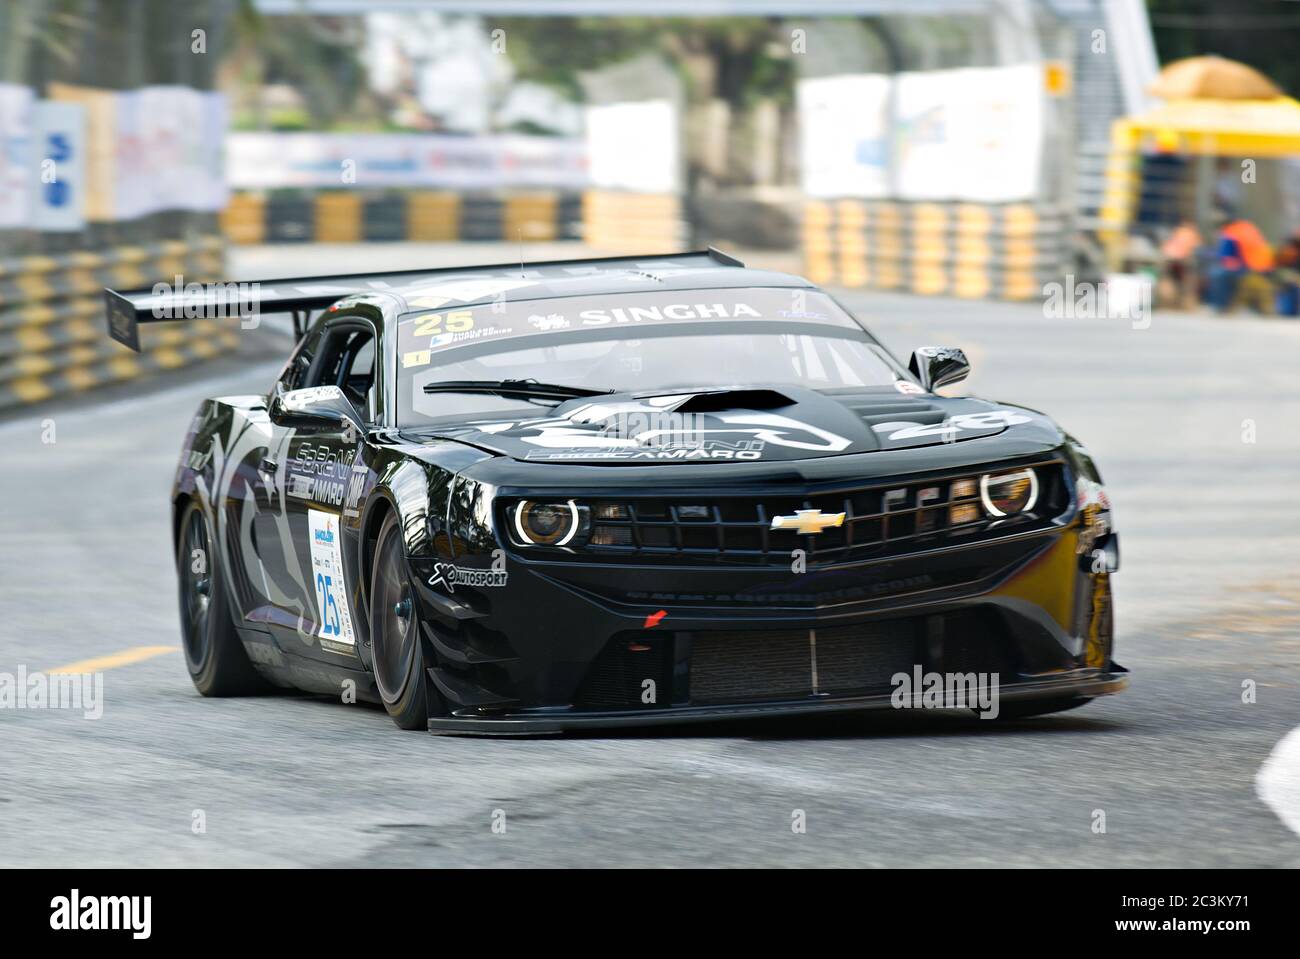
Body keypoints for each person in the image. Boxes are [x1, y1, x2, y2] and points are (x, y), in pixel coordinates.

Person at [1207, 208, 1274, 313]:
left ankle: (1221, 306)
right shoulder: (1249, 227)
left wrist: (1209, 254)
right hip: (1265, 267)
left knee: (1216, 273)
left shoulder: (1230, 232)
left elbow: (1223, 256)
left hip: (1248, 267)